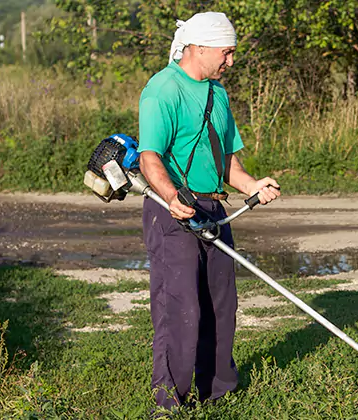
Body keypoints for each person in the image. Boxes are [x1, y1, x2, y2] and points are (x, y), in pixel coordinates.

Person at [136, 11, 281, 411]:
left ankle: (217, 393)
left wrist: (252, 185)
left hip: (214, 208)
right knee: (180, 306)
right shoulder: (163, 90)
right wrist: (171, 197)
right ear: (198, 48)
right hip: (172, 209)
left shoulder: (218, 94)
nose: (231, 61)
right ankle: (169, 403)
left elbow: (226, 161)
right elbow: (149, 158)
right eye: (227, 53)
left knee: (221, 303)